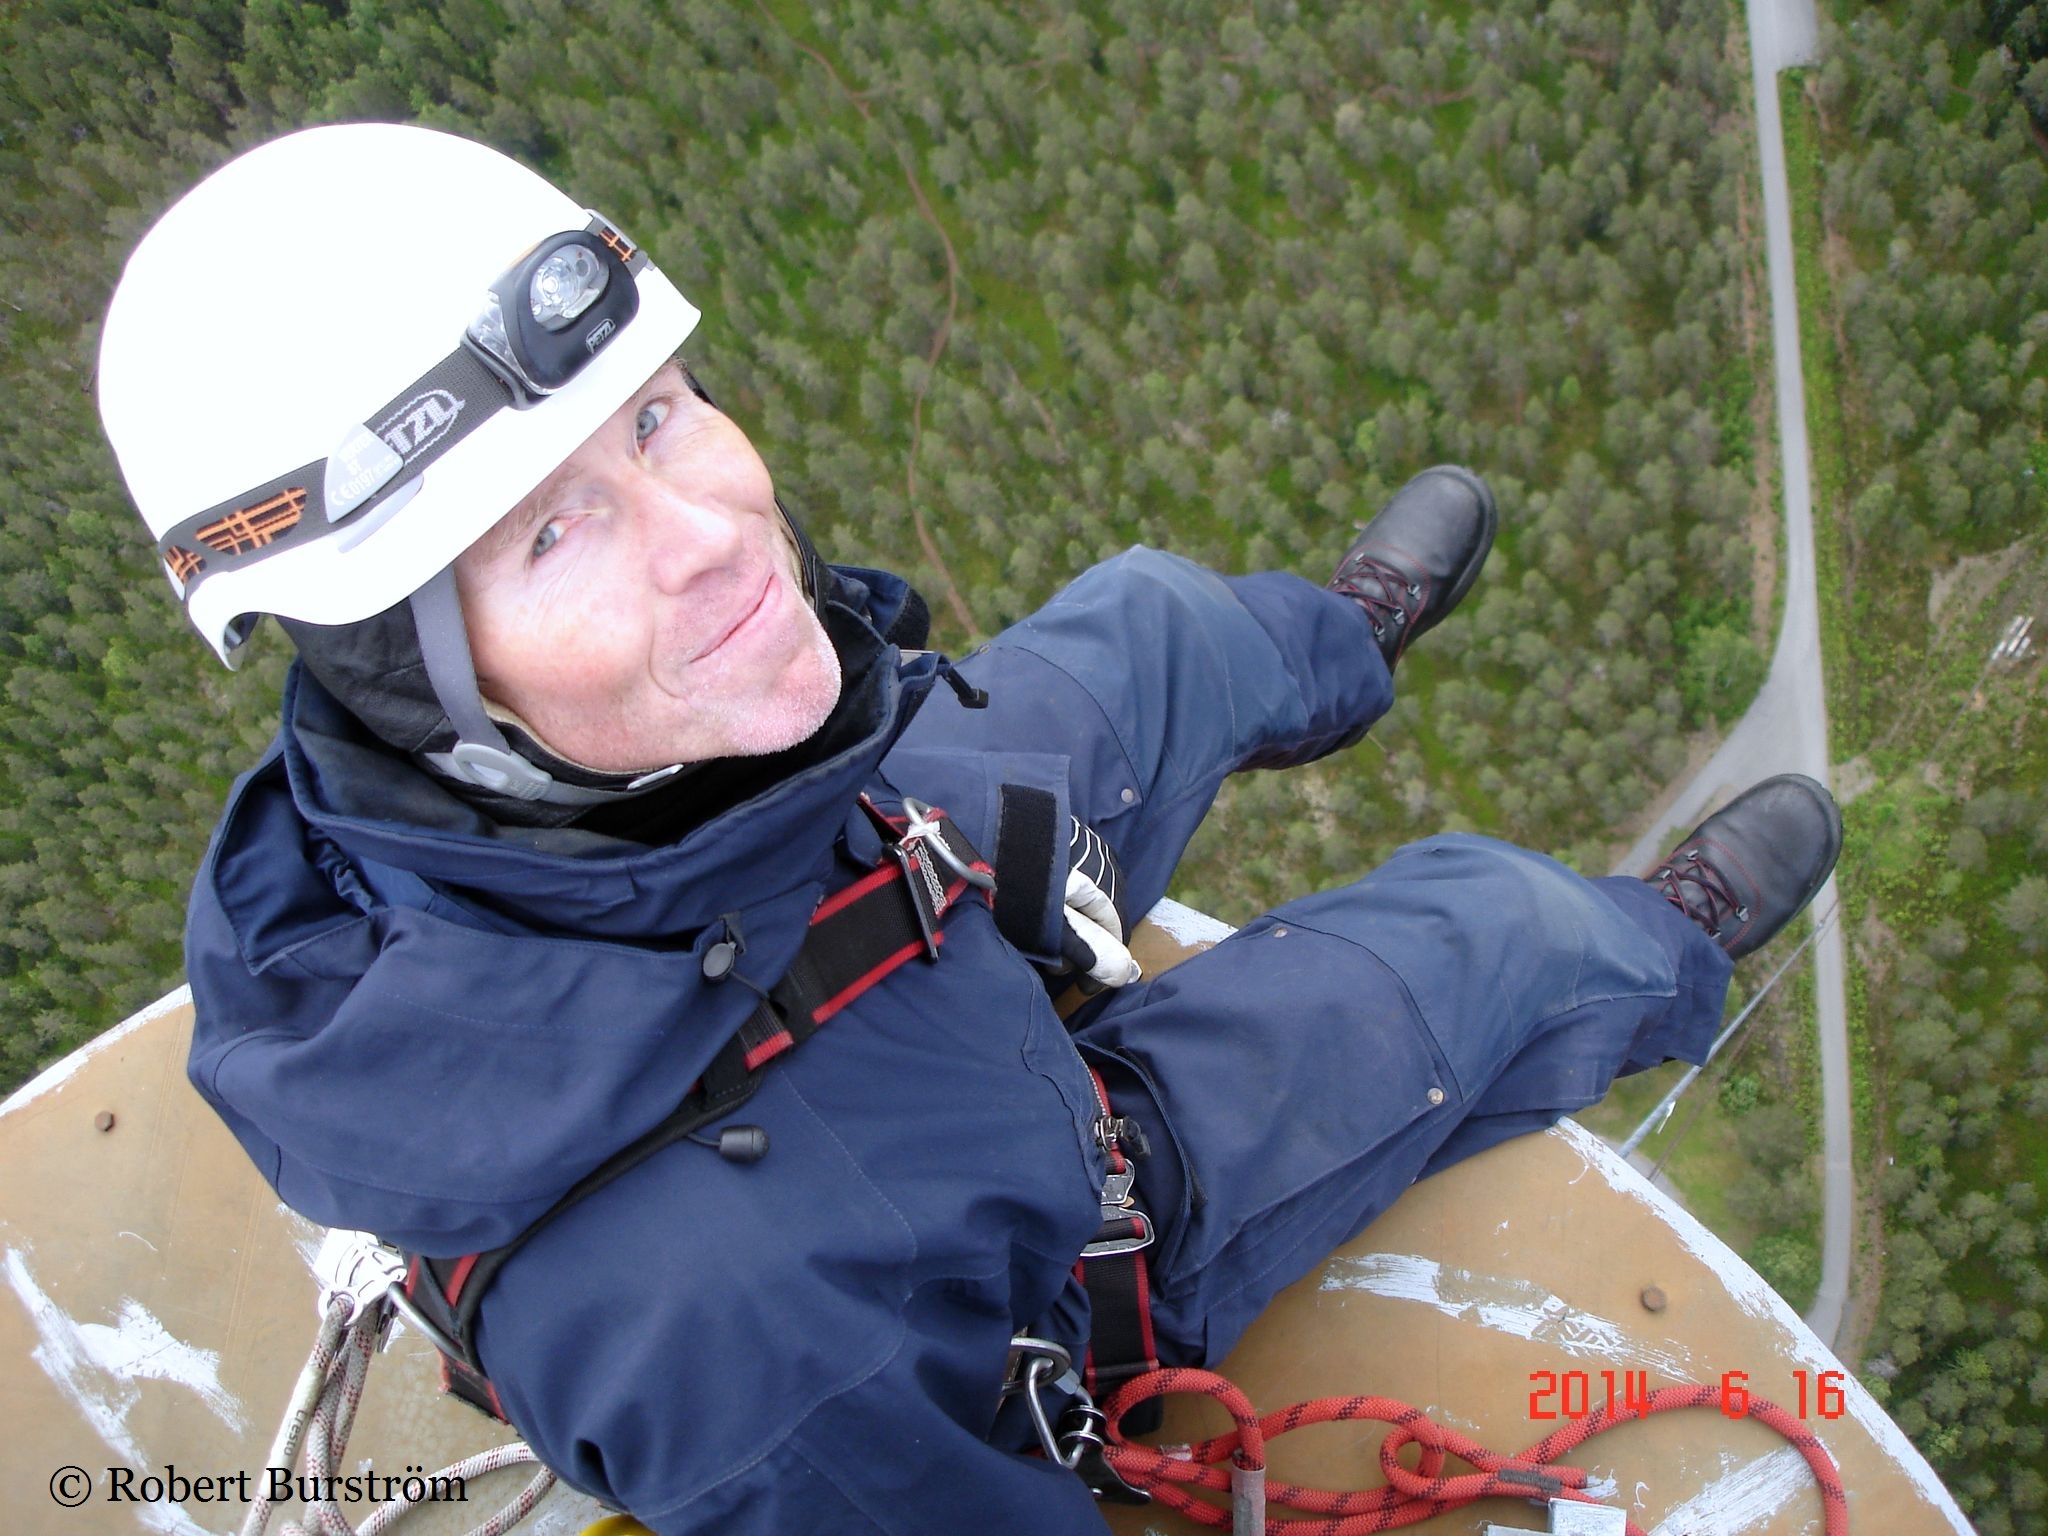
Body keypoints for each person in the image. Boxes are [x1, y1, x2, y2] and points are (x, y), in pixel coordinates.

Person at [97, 124, 1842, 1534]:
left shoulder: (561, 785)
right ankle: (1665, 940)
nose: (714, 525)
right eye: (550, 536)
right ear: (416, 685)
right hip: (1054, 1198)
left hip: (830, 867)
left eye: (655, 416)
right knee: (1474, 945)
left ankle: (1327, 645)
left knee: (1154, 626)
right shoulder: (749, 1349)